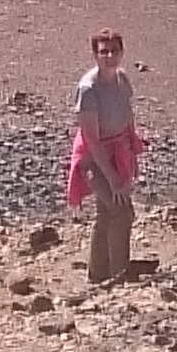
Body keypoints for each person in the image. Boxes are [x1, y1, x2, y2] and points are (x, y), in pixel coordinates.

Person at [65, 31, 146, 281]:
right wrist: (112, 177)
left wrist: (131, 153)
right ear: (95, 55)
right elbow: (92, 141)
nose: (110, 56)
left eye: (114, 51)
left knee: (106, 212)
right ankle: (120, 273)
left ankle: (97, 273)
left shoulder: (121, 79)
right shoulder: (88, 90)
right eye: (104, 51)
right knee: (121, 211)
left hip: (119, 152)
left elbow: (127, 116)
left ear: (122, 52)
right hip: (93, 160)